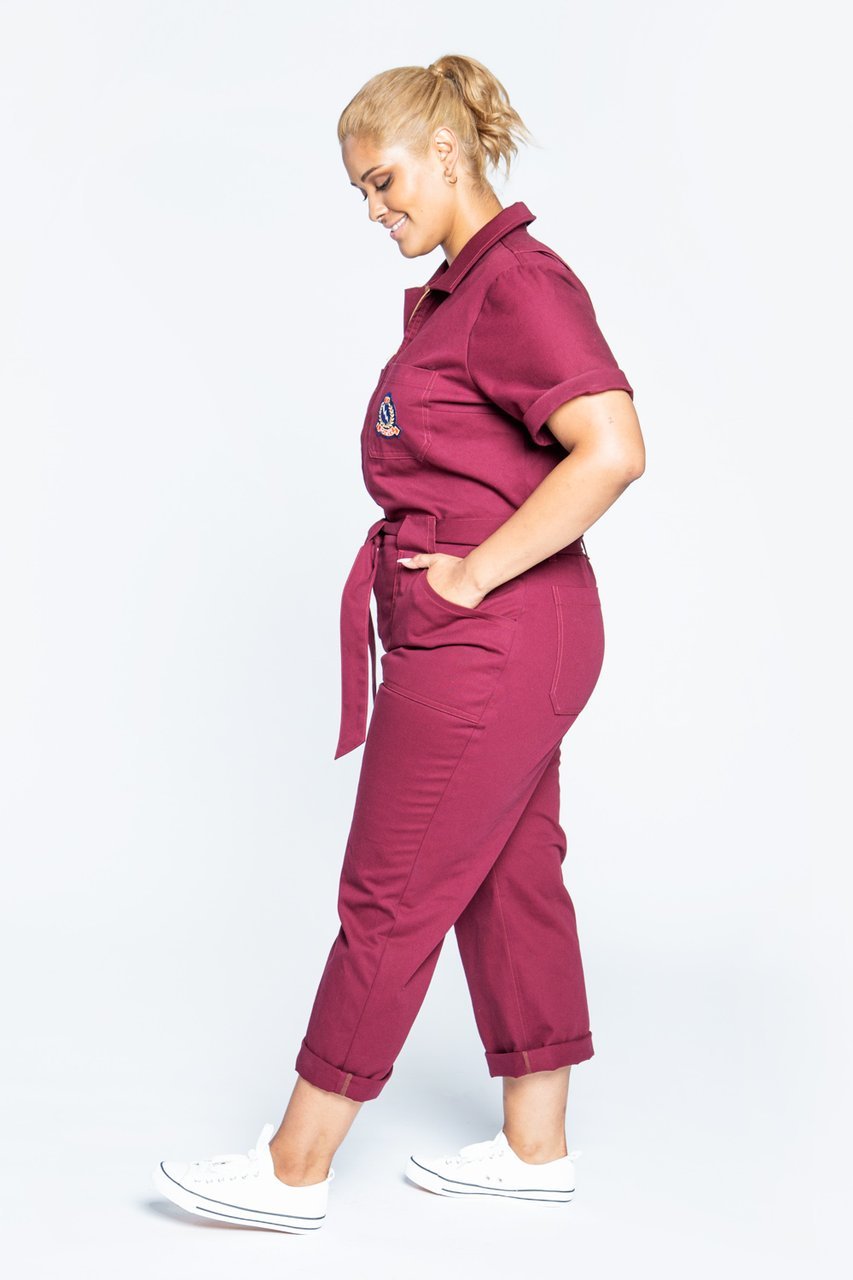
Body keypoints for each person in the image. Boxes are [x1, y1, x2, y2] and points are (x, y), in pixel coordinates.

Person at [152, 53, 645, 1234]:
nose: (374, 210)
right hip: (497, 634)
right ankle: (535, 1148)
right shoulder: (459, 292)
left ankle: (293, 1166)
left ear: (446, 151)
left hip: (494, 633)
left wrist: (470, 572)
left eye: (383, 182)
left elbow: (613, 446)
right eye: (361, 193)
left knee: (390, 886)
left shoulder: (516, 282)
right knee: (508, 874)